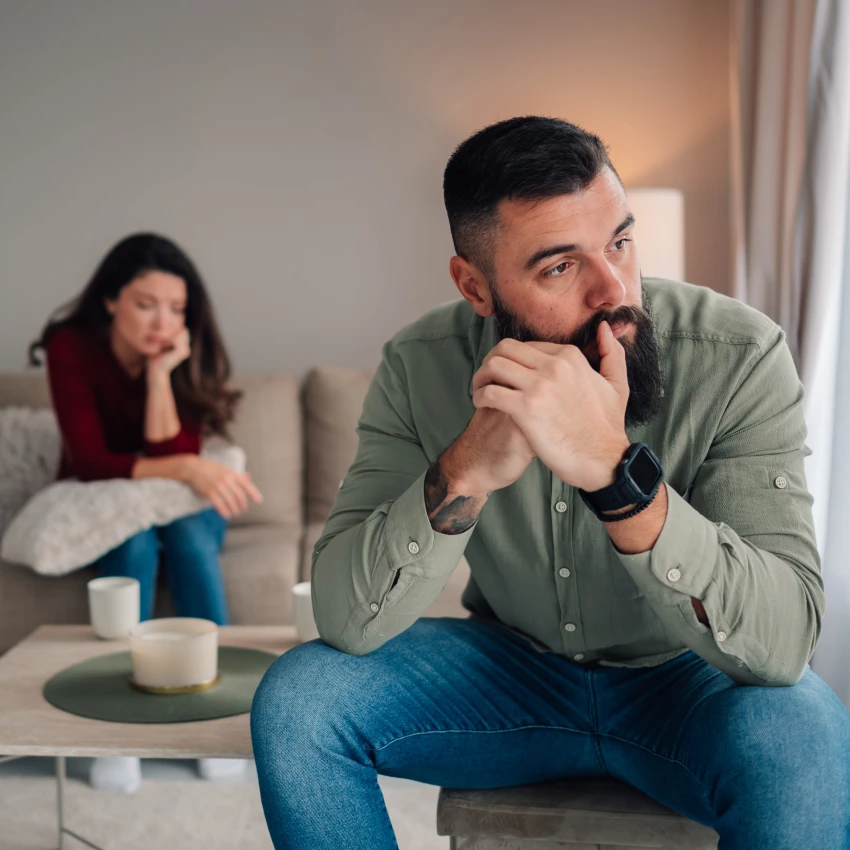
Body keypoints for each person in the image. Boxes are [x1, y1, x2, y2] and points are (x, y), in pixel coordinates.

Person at [249, 117, 850, 849]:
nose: (613, 290)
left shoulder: (740, 355)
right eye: (560, 267)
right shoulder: (418, 364)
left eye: (620, 242)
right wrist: (465, 468)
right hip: (510, 676)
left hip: (687, 685)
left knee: (807, 733)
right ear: (475, 285)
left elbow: (784, 642)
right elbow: (346, 618)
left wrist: (615, 476)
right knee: (298, 700)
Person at [31, 232, 262, 792]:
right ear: (111, 299)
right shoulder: (70, 346)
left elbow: (166, 452)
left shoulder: (183, 350)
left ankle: (221, 715)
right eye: (145, 304)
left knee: (185, 535)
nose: (163, 321)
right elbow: (89, 461)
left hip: (178, 498)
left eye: (176, 308)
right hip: (111, 493)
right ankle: (114, 725)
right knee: (135, 543)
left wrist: (161, 375)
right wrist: (187, 468)